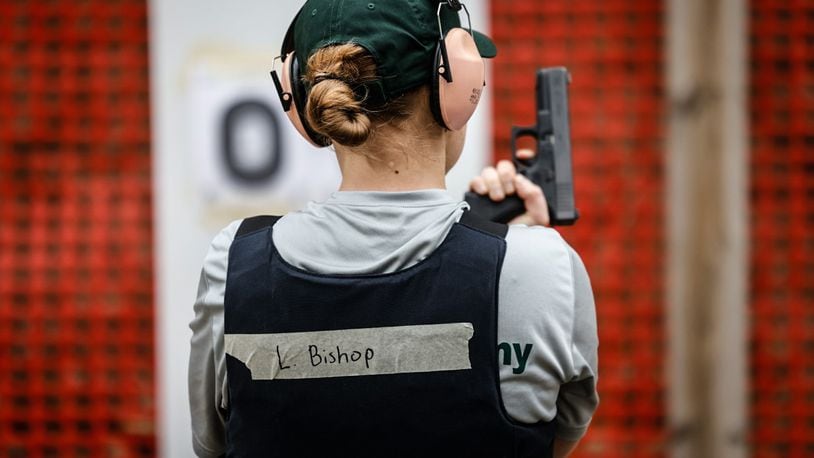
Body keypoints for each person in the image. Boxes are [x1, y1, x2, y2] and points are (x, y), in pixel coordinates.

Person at [188, 1, 598, 457]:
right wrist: (518, 254)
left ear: (301, 102)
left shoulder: (234, 264)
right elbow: (551, 442)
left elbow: (212, 444)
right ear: (458, 83)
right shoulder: (541, 267)